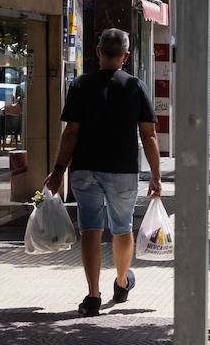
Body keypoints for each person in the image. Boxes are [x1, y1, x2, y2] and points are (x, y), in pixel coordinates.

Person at [43, 29, 161, 316]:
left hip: (85, 170)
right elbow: (149, 135)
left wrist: (58, 171)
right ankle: (121, 283)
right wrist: (156, 176)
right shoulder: (135, 86)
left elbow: (71, 132)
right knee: (122, 228)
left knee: (90, 230)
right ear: (126, 56)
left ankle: (93, 295)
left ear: (98, 52)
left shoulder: (81, 85)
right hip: (122, 170)